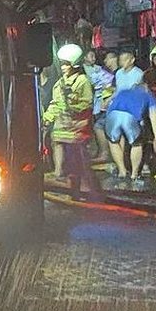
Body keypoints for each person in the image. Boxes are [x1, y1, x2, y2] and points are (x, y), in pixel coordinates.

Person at [43, 44, 101, 200]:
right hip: (62, 127)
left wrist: (73, 106)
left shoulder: (82, 82)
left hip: (77, 130)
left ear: (74, 64)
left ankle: (90, 191)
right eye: (62, 63)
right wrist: (47, 118)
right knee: (70, 164)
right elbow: (57, 103)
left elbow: (87, 104)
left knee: (80, 162)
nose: (63, 67)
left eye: (66, 64)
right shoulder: (61, 83)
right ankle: (73, 190)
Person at [105, 83, 156, 189]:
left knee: (113, 141)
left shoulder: (123, 92)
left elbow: (109, 107)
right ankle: (134, 175)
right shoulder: (148, 95)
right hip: (129, 117)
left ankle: (122, 172)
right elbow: (153, 118)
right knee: (136, 143)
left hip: (112, 115)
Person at [82, 49, 114, 162]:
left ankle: (104, 153)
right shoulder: (82, 70)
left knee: (98, 127)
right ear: (84, 57)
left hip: (101, 103)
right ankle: (100, 152)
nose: (94, 59)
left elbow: (107, 83)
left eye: (94, 56)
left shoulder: (99, 69)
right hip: (91, 103)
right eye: (91, 56)